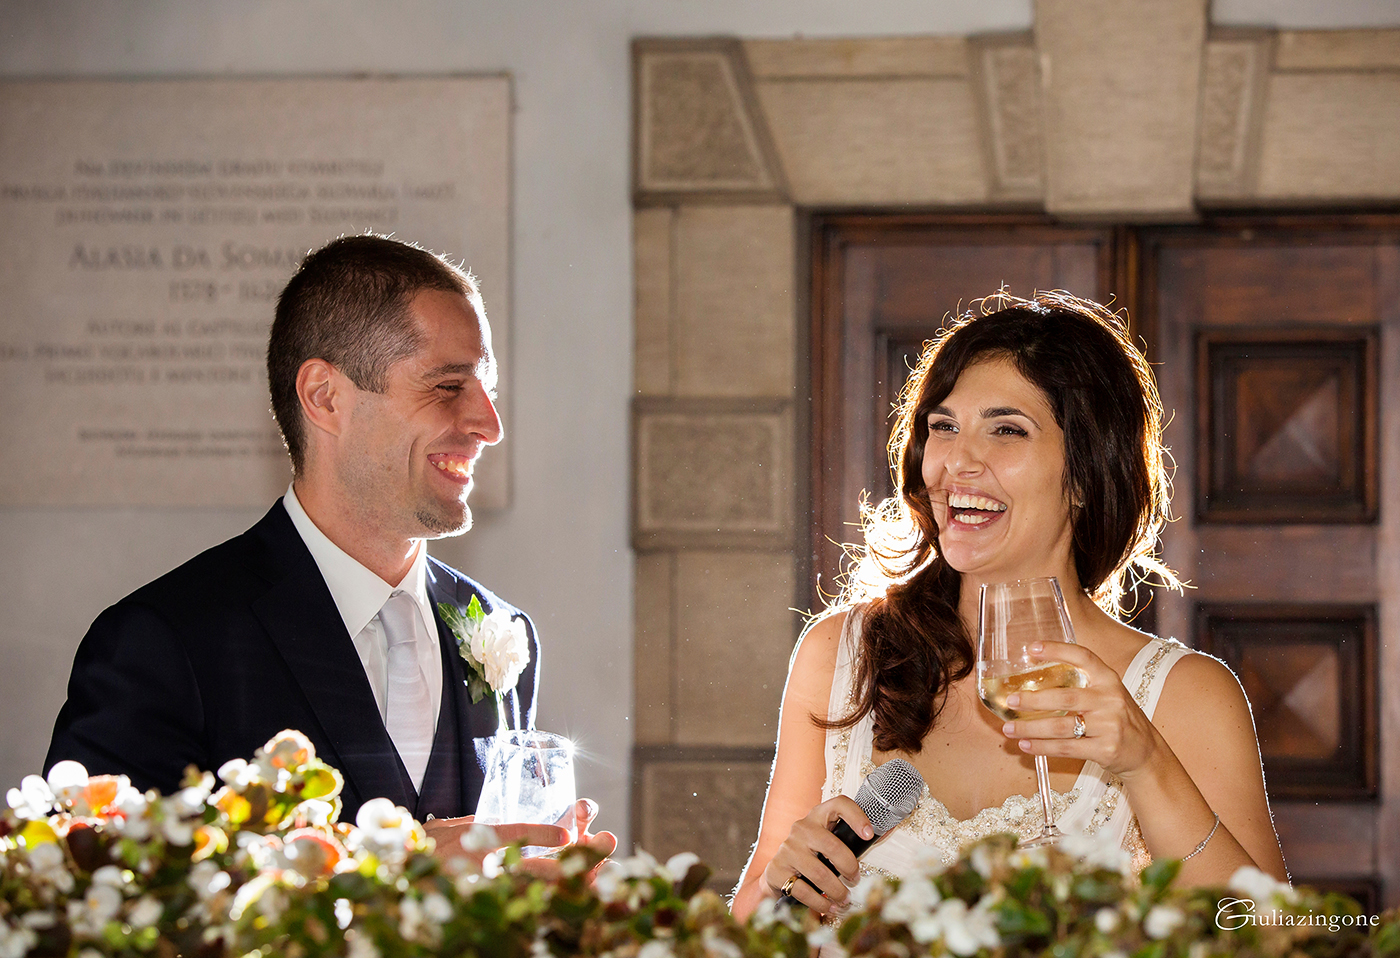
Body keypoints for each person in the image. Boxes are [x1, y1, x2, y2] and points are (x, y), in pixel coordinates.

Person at [45, 234, 615, 864]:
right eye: (450, 386)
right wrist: (397, 871)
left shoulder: (503, 632)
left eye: (488, 390)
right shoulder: (165, 640)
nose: (490, 424)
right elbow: (90, 900)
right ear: (325, 397)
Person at [731, 291, 1287, 920]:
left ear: (1085, 472)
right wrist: (782, 886)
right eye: (943, 427)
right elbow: (749, 926)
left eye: (1006, 430)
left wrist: (1145, 760)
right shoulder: (841, 657)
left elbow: (1273, 936)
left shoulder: (1186, 696)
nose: (956, 463)